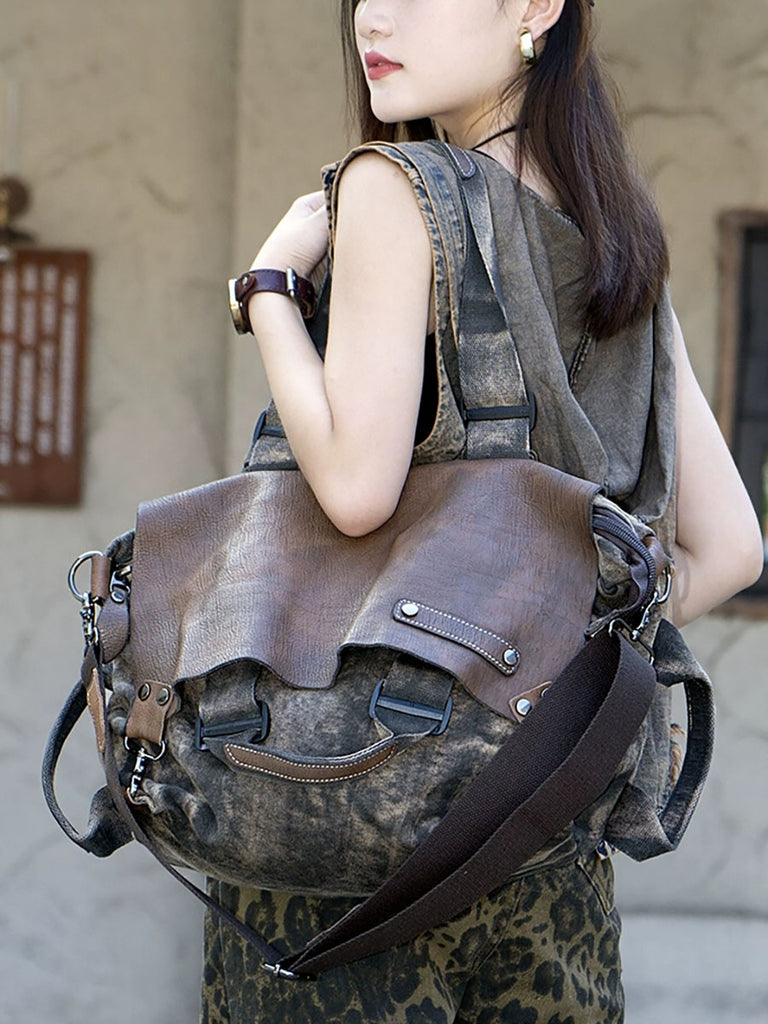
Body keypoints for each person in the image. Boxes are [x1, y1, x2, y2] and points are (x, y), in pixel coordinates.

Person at [202, 1, 764, 1021]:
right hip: (550, 849)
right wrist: (541, 669)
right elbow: (728, 548)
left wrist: (271, 285)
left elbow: (355, 490)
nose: (375, 16)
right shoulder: (615, 232)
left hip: (354, 838)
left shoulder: (395, 186)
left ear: (538, 7)